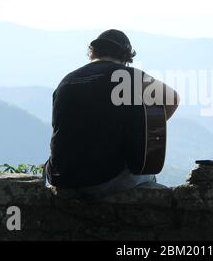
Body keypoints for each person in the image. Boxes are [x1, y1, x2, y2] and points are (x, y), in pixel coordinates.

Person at [43, 29, 179, 195]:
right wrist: (148, 129)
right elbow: (171, 99)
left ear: (92, 52)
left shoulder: (67, 80)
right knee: (147, 175)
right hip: (103, 179)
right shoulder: (126, 76)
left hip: (60, 179)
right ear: (126, 57)